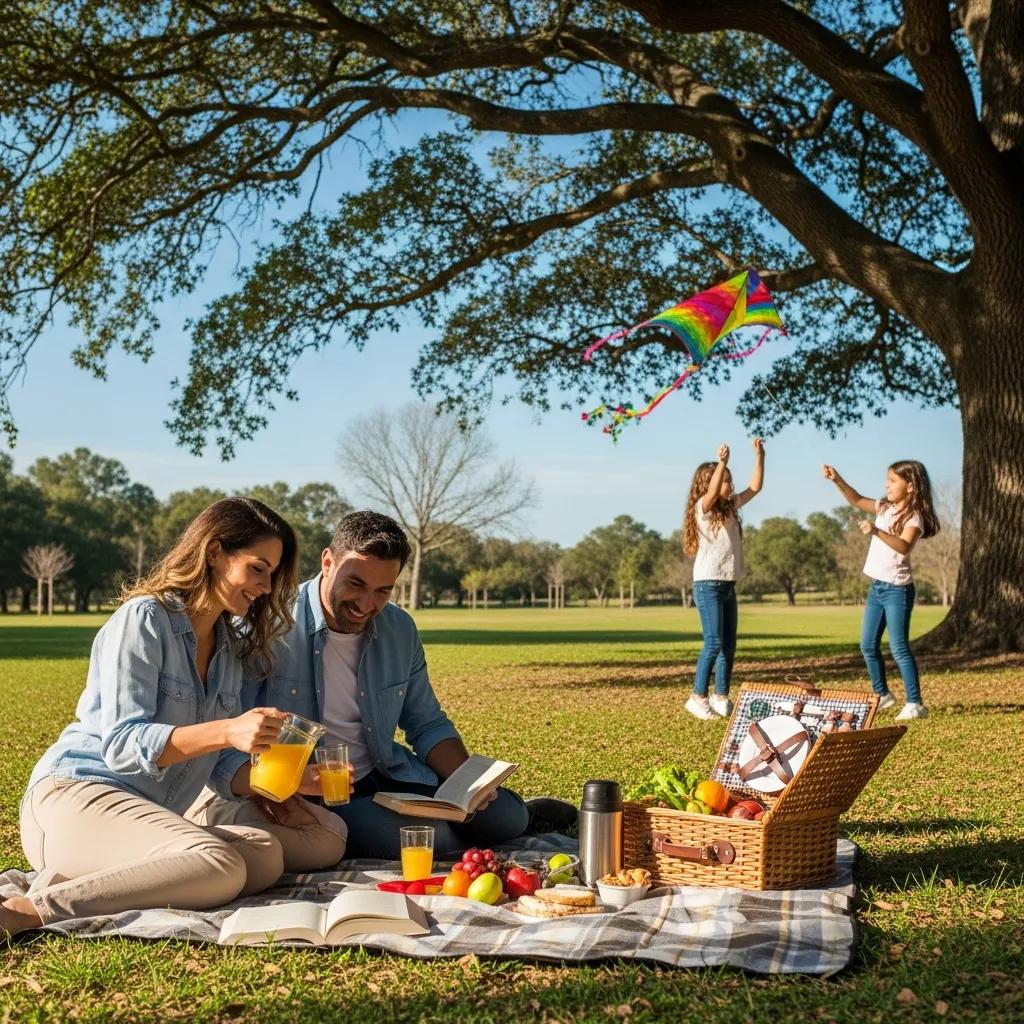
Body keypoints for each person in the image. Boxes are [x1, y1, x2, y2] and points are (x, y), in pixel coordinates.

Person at [1, 497, 346, 941]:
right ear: (216, 552)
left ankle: (83, 879)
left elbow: (218, 769)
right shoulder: (145, 618)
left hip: (147, 818)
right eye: (258, 568)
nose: (265, 585)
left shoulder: (228, 648)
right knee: (220, 863)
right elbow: (124, 746)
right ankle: (26, 910)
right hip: (77, 795)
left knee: (263, 856)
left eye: (273, 574)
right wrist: (229, 730)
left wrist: (290, 783)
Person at [191, 510, 574, 860]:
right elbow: (230, 733)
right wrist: (272, 790)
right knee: (428, 840)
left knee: (504, 816)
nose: (366, 603)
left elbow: (425, 723)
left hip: (387, 775)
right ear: (327, 562)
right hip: (320, 793)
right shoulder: (267, 625)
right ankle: (465, 835)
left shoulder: (399, 628)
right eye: (355, 583)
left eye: (383, 590)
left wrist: (465, 781)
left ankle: (520, 813)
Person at [823, 460, 939, 720]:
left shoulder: (914, 516)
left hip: (898, 590)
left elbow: (903, 546)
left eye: (893, 480)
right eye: (887, 480)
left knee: (898, 647)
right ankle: (883, 694)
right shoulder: (885, 507)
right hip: (877, 588)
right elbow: (856, 500)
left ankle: (915, 703)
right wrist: (837, 479)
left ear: (910, 486)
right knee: (867, 645)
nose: (887, 484)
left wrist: (876, 531)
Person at [682, 439, 765, 720]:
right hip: (708, 584)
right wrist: (722, 464)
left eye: (730, 481)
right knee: (714, 642)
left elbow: (755, 487)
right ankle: (697, 697)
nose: (729, 486)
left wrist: (759, 456)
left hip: (727, 584)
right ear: (709, 485)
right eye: (725, 482)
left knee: (729, 645)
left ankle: (720, 697)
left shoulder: (730, 508)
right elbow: (714, 489)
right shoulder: (702, 510)